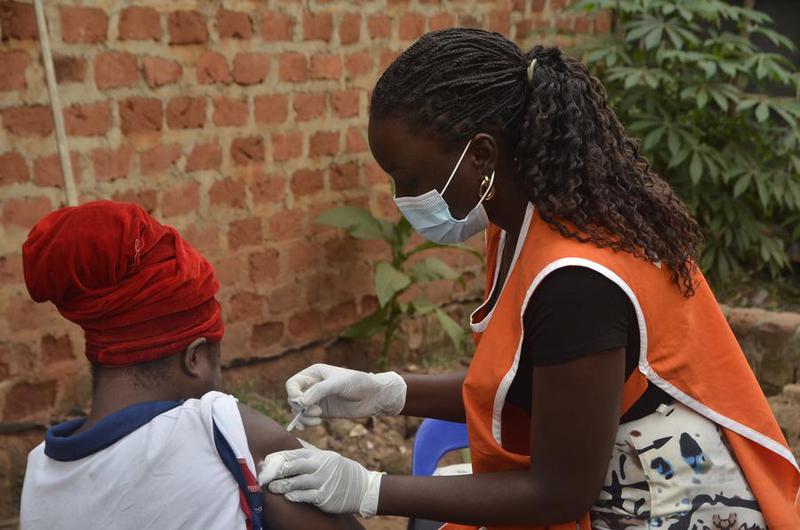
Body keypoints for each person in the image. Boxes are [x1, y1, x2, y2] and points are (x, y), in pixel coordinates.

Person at [258, 28, 800, 530]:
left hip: (670, 503)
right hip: (602, 477)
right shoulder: (522, 225)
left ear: (482, 155)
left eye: (411, 177)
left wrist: (368, 488)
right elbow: (532, 384)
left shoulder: (576, 282)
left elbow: (558, 493)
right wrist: (385, 392)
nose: (403, 198)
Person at [18, 200, 361, 530]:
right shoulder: (217, 428)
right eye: (217, 361)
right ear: (195, 358)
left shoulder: (40, 470)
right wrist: (367, 488)